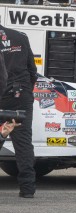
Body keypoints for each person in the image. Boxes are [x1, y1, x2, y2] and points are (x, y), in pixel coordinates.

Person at [0, 24, 38, 198]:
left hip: (3, 94)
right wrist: (25, 90)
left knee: (1, 135)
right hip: (21, 94)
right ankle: (28, 189)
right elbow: (33, 71)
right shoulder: (20, 36)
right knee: (23, 143)